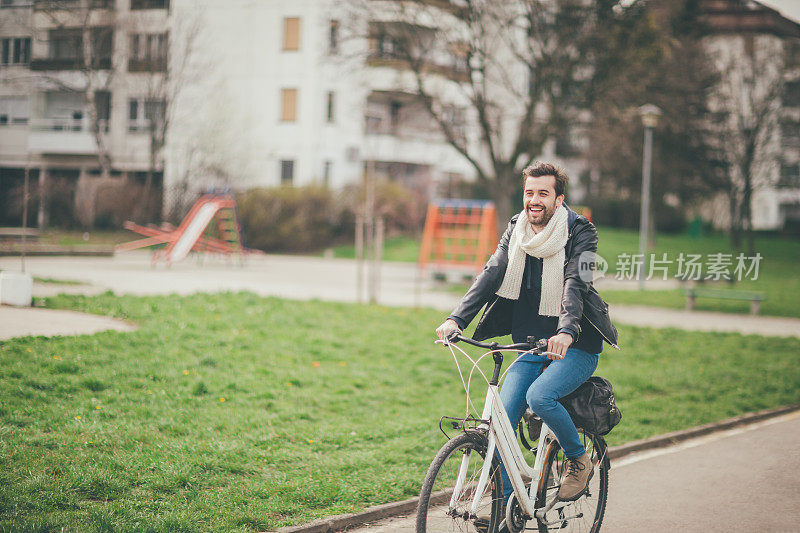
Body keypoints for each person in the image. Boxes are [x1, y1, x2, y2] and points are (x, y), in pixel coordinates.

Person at [435, 162, 619, 527]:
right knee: (500, 422)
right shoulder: (516, 229)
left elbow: (575, 283)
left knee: (541, 397)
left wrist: (566, 331)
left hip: (576, 345)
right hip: (530, 345)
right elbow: (492, 271)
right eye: (529, 193)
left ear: (559, 198)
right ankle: (506, 506)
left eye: (543, 194)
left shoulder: (582, 232)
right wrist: (456, 318)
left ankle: (578, 459)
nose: (534, 200)